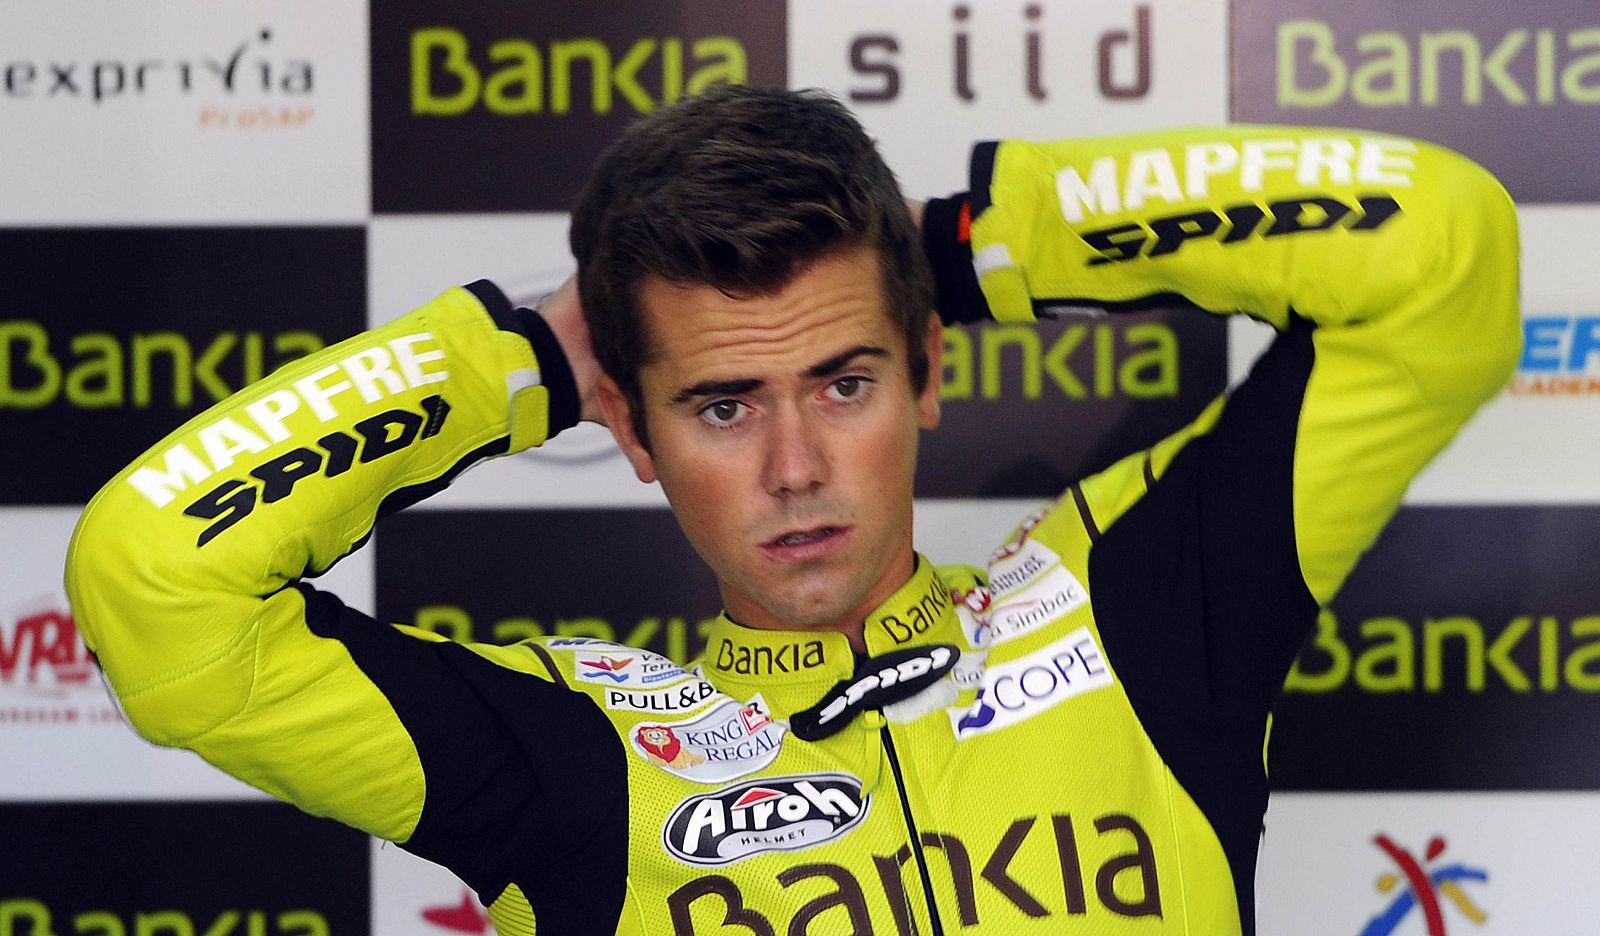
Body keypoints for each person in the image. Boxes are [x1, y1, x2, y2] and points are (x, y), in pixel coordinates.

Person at [66, 86, 1519, 935]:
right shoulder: (580, 763)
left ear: (927, 372)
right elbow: (156, 589)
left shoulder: (1133, 611)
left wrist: (966, 248)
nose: (794, 467)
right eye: (718, 404)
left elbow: (1442, 258)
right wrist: (529, 361)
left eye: (843, 380)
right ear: (632, 430)